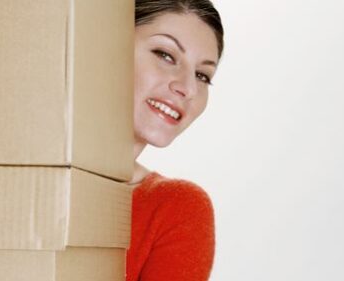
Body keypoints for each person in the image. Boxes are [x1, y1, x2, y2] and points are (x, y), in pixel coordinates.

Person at [126, 0, 224, 280]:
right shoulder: (9, 168)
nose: (188, 88)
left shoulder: (174, 208)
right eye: (166, 55)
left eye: (202, 75)